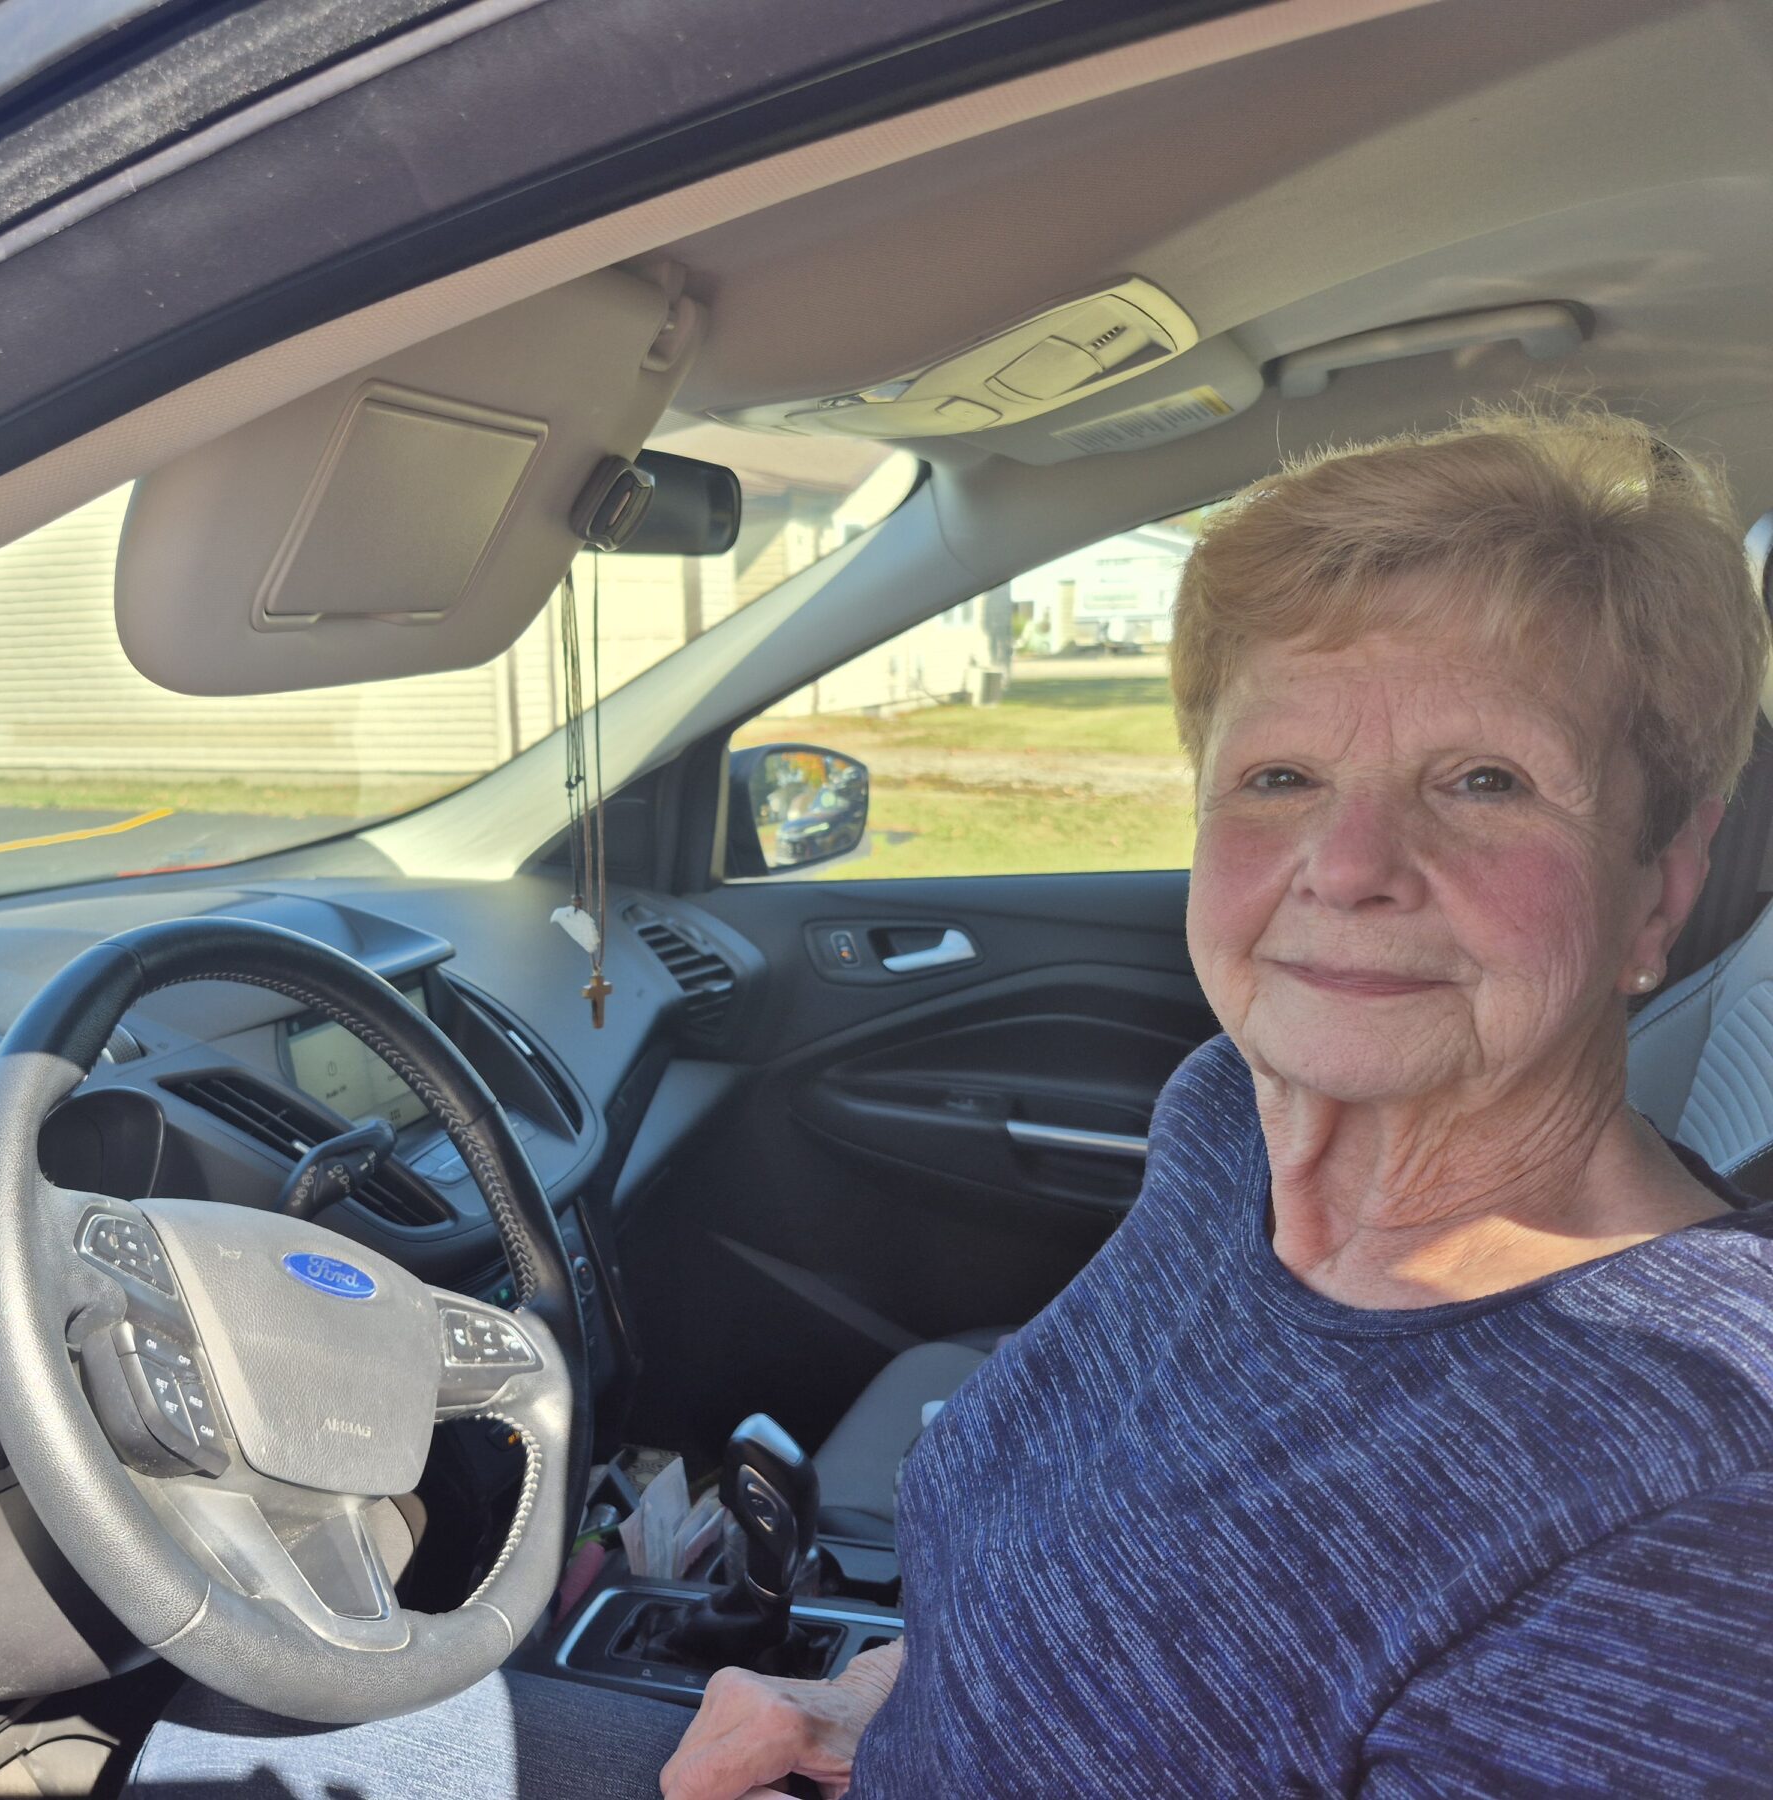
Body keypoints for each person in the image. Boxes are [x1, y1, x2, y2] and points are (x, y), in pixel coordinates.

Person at [128, 406, 1773, 1798]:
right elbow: (1102, 1581)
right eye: (1280, 777)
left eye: (1482, 781)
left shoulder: (1701, 1508)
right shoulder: (1230, 1132)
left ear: (1661, 882)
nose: (1347, 869)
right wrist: (888, 1703)